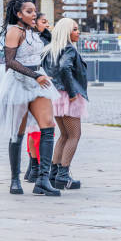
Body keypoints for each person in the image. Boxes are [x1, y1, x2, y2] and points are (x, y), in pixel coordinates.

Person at [0, 0, 60, 196]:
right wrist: (35, 75)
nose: (34, 14)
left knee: (48, 125)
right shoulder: (14, 31)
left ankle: (43, 179)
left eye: (34, 11)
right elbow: (10, 61)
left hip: (38, 82)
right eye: (29, 11)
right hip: (19, 82)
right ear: (18, 14)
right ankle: (15, 179)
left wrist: (39, 74)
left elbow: (50, 40)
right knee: (18, 131)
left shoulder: (32, 31)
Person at [42, 18, 88, 190]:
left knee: (63, 135)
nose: (78, 32)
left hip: (56, 95)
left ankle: (54, 174)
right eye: (75, 29)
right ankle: (63, 175)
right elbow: (64, 68)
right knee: (74, 135)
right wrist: (71, 92)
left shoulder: (50, 50)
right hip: (68, 96)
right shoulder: (68, 48)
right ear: (66, 32)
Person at [24, 12, 50, 183]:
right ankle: (37, 168)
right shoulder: (35, 40)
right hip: (36, 82)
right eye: (43, 21)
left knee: (33, 129)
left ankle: (33, 168)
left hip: (37, 81)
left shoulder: (43, 38)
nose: (47, 24)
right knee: (38, 130)